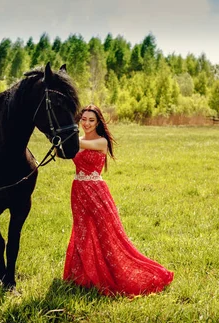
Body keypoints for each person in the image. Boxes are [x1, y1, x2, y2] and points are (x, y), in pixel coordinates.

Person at [63, 104, 174, 296]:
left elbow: (75, 144)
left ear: (98, 123)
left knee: (104, 233)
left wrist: (62, 134)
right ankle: (81, 276)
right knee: (82, 231)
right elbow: (64, 151)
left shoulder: (101, 142)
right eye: (84, 119)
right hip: (78, 191)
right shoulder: (78, 140)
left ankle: (113, 273)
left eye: (91, 120)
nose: (86, 123)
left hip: (96, 192)